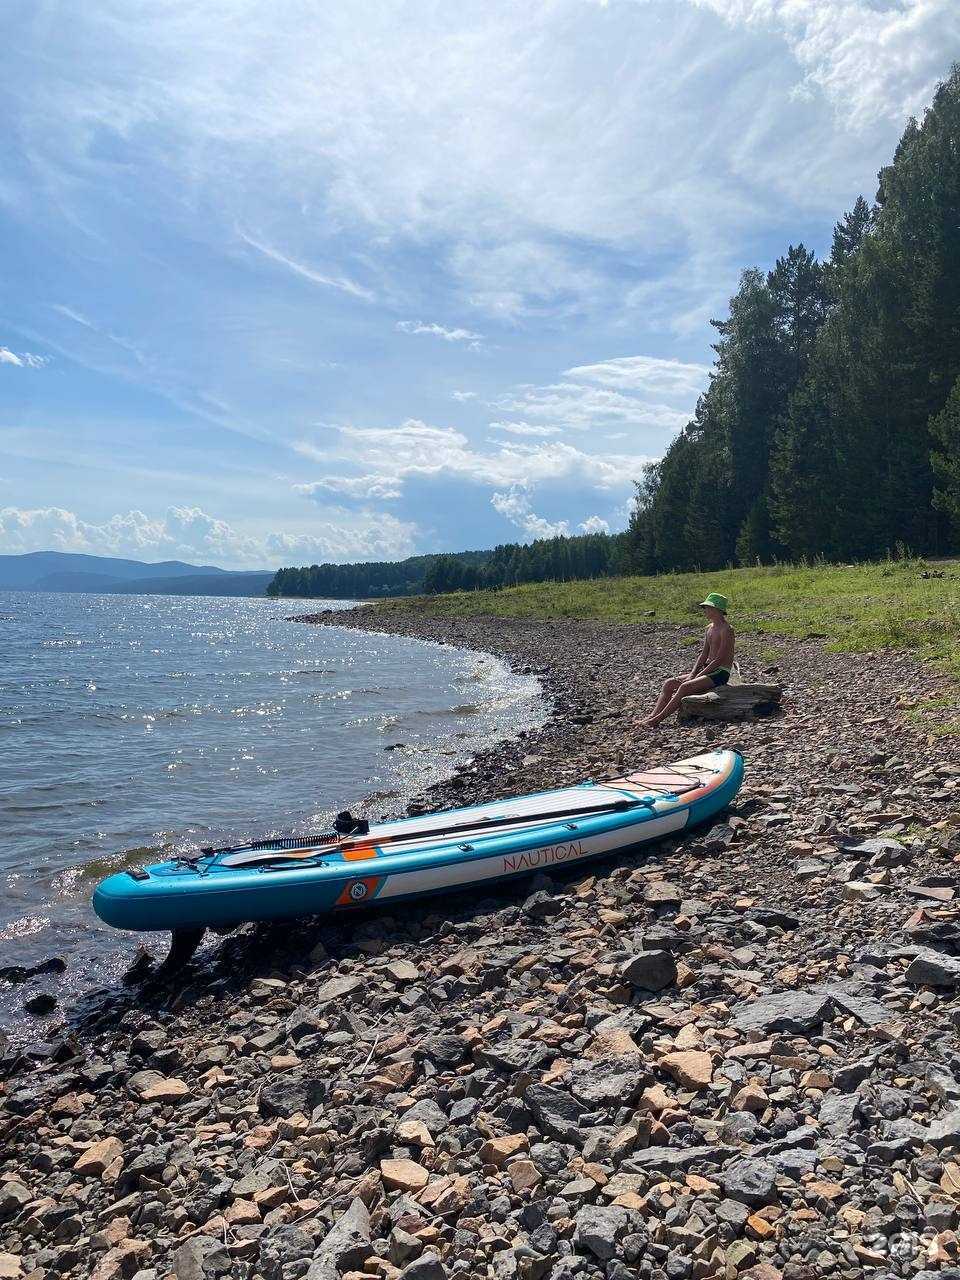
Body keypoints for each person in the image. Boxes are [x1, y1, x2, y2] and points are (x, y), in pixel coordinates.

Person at [640, 592, 735, 727]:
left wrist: (698, 676)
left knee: (685, 687)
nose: (705, 610)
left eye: (707, 608)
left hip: (720, 672)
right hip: (708, 670)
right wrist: (692, 674)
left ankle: (656, 720)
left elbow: (719, 659)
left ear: (717, 610)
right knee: (669, 683)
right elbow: (703, 655)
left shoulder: (727, 630)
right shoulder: (709, 628)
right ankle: (652, 715)